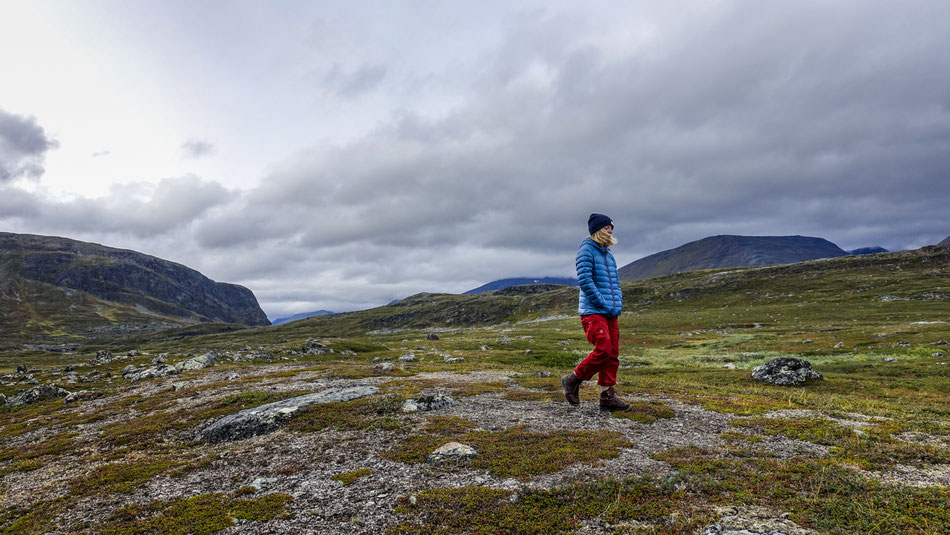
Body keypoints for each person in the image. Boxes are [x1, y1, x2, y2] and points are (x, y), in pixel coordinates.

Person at [562, 213, 630, 411]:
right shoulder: (586, 251)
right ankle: (573, 379)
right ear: (597, 230)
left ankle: (607, 396)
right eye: (607, 227)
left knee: (613, 354)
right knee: (604, 350)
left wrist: (617, 303)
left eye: (612, 228)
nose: (611, 231)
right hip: (593, 310)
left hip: (610, 311)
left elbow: (615, 284)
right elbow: (585, 281)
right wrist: (602, 303)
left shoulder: (608, 255)